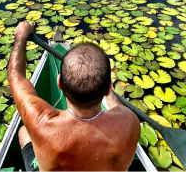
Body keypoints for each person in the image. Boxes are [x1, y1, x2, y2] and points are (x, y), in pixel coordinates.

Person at [8, 21, 141, 172]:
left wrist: (21, 36)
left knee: (24, 131)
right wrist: (107, 89)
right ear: (109, 88)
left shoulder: (41, 123)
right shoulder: (130, 121)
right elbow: (118, 108)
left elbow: (16, 77)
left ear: (60, 84)